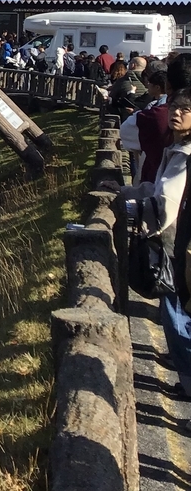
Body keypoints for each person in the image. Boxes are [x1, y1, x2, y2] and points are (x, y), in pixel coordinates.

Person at [101, 88, 191, 397]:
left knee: (176, 312)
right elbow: (157, 189)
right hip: (180, 240)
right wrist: (127, 193)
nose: (176, 113)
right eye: (175, 108)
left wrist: (132, 211)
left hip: (179, 243)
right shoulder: (177, 148)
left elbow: (166, 203)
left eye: (185, 110)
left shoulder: (184, 154)